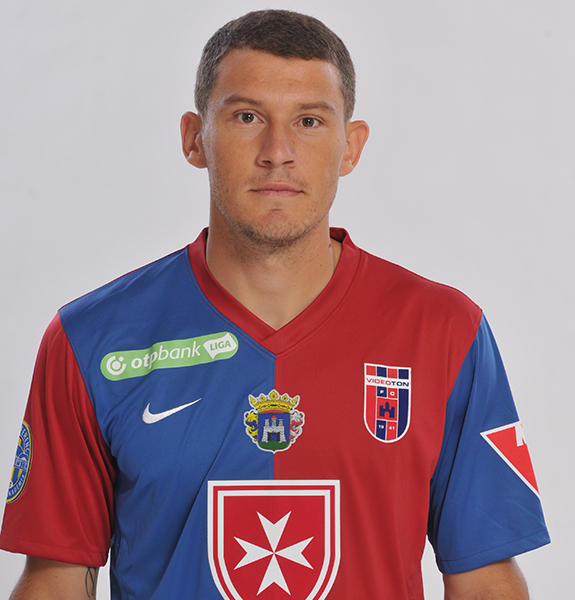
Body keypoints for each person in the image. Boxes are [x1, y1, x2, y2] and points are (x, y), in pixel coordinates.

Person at [0, 9, 549, 600]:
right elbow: (55, 581)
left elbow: (486, 580)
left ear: (351, 147)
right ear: (194, 138)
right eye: (247, 116)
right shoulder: (91, 340)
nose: (277, 151)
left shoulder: (444, 331)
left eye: (309, 121)